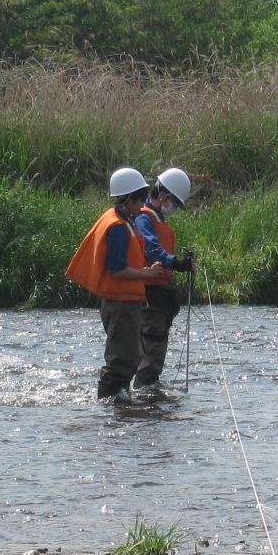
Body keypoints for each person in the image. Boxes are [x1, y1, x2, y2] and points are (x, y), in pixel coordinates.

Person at [65, 168, 168, 402]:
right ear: (129, 198)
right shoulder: (119, 228)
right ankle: (110, 407)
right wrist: (148, 274)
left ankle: (118, 407)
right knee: (122, 360)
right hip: (120, 302)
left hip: (122, 301)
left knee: (127, 358)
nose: (143, 205)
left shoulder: (120, 219)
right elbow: (118, 269)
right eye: (140, 199)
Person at [132, 168, 197, 389]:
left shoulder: (157, 218)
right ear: (164, 196)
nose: (174, 209)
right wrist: (178, 264)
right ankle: (145, 394)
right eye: (175, 203)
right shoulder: (144, 217)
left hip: (159, 293)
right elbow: (152, 250)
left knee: (156, 349)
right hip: (148, 293)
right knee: (151, 349)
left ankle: (151, 391)